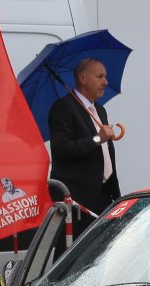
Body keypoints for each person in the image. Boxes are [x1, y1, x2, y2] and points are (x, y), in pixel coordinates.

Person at [49, 57, 124, 224]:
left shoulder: (100, 110)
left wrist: (115, 195)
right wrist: (97, 138)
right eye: (99, 76)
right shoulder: (62, 108)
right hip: (77, 200)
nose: (105, 82)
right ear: (83, 78)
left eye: (105, 77)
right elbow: (62, 149)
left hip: (104, 196)